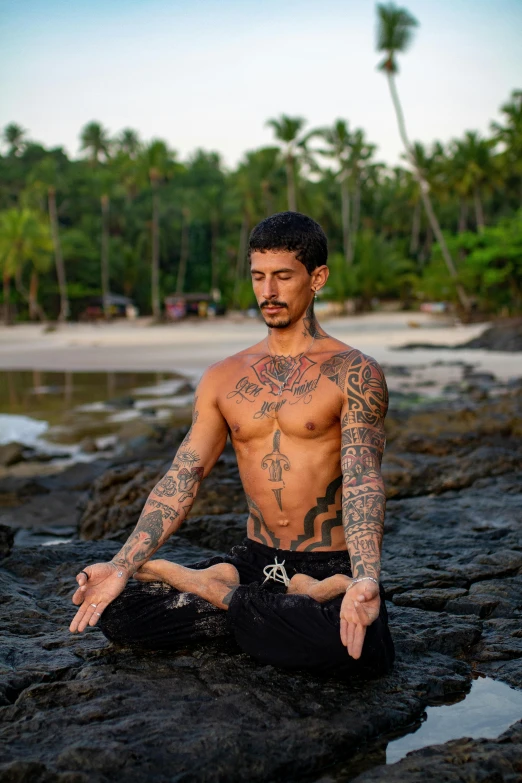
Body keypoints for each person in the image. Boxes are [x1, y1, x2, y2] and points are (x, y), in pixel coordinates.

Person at [70, 212, 394, 677]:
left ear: (317, 277)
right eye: (258, 277)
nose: (268, 292)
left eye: (283, 276)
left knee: (353, 650)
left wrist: (363, 578)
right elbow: (185, 473)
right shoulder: (224, 377)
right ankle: (267, 603)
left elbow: (364, 478)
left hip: (329, 562)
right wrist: (123, 565)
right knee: (121, 611)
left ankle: (204, 586)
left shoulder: (355, 372)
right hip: (254, 559)